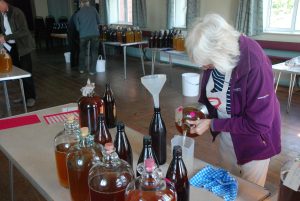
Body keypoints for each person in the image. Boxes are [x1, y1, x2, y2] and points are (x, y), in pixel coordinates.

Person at [185, 14, 281, 187]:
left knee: (248, 192)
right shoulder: (215, 59)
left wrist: (212, 124)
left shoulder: (254, 64)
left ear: (219, 53)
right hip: (227, 133)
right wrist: (197, 111)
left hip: (255, 143)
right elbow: (211, 94)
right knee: (226, 185)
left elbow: (259, 124)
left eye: (208, 65)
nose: (204, 69)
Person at [0, 0, 36, 107]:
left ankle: (31, 97)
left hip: (22, 47)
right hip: (11, 47)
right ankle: (24, 96)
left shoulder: (17, 12)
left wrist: (6, 37)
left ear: (4, 3)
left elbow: (24, 31)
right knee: (18, 73)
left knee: (26, 72)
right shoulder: (1, 14)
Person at [75, 0, 100, 75]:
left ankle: (82, 69)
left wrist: (83, 29)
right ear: (88, 2)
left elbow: (77, 28)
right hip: (94, 34)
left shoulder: (78, 13)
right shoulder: (93, 9)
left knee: (82, 52)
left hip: (83, 35)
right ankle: (92, 71)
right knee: (94, 52)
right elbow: (98, 21)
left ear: (81, 3)